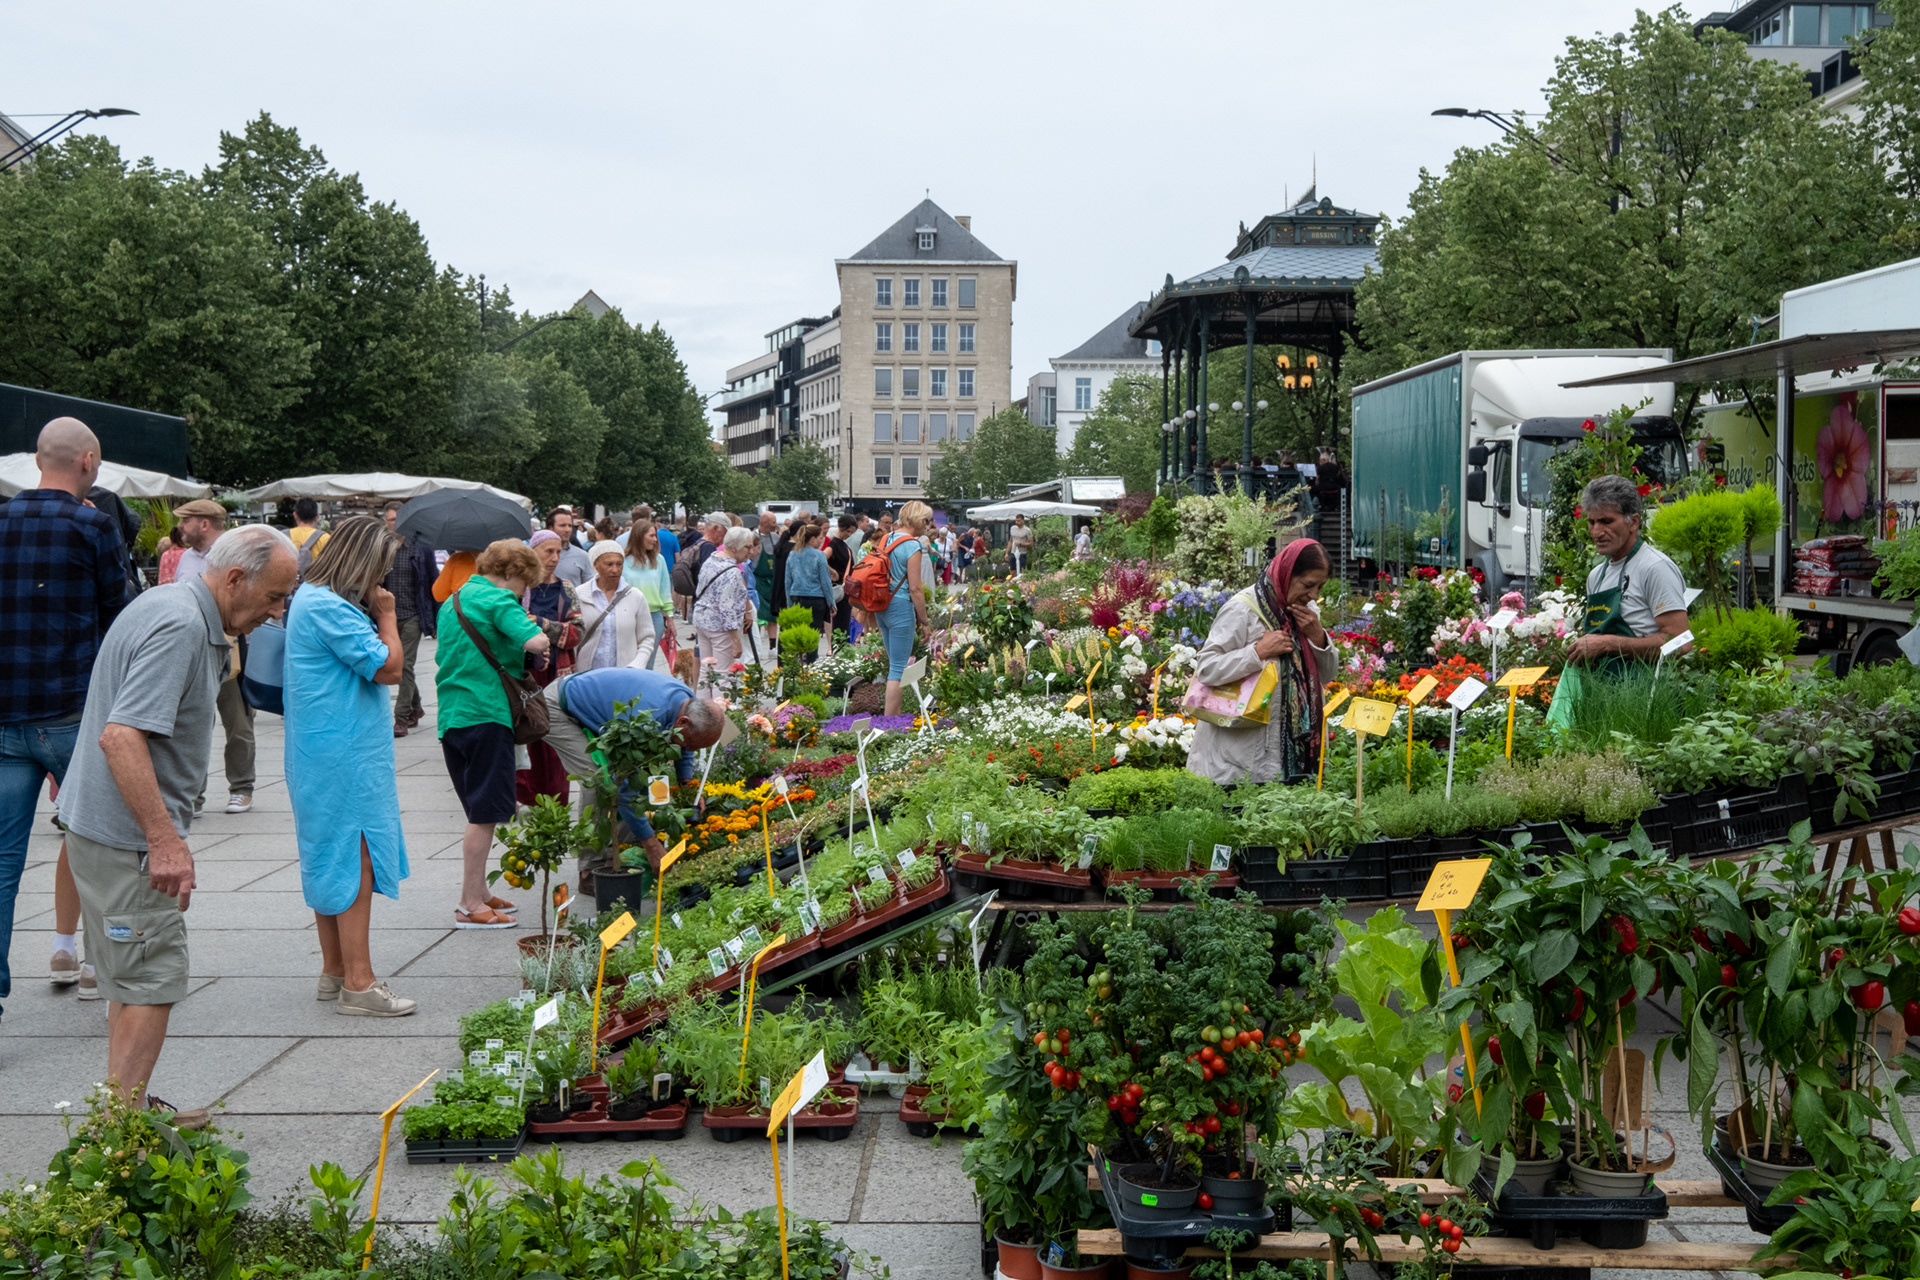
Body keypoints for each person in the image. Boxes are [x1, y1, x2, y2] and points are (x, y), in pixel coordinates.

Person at [59, 523, 297, 1119]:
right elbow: (121, 737)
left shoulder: (171, 604)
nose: (277, 612)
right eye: (273, 596)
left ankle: (127, 1114)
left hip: (105, 830)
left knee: (129, 976)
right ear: (236, 578)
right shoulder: (182, 623)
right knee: (151, 980)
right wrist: (163, 839)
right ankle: (121, 1140)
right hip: (127, 839)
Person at [0, 417, 131, 1018]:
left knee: (3, 863)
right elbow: (123, 616)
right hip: (72, 712)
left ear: (35, 458)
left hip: (5, 720)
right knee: (101, 844)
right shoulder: (93, 524)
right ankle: (96, 969)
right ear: (86, 461)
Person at [284, 517, 416, 1017]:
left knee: (327, 853)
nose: (381, 579)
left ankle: (335, 969)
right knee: (353, 855)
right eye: (380, 566)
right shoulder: (330, 607)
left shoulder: (312, 600)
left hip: (321, 748)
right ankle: (359, 984)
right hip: (344, 752)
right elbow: (389, 668)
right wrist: (386, 615)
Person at [435, 539, 551, 928]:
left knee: (475, 806)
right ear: (510, 574)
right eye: (524, 584)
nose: (524, 592)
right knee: (484, 814)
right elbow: (536, 642)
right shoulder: (500, 600)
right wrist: (535, 629)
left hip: (452, 715)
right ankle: (470, 903)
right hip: (488, 713)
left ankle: (481, 890)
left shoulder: (454, 601)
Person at [538, 667, 725, 897]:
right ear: (684, 721)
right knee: (601, 781)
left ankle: (619, 855)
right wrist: (652, 845)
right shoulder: (649, 718)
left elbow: (683, 746)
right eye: (694, 744)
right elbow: (624, 787)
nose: (692, 750)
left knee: (631, 780)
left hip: (599, 712)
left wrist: (687, 783)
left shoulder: (687, 704)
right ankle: (591, 868)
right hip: (560, 708)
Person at [1187, 538, 1336, 787]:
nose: (1313, 596)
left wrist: (1318, 637)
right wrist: (1257, 652)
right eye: (1308, 585)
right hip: (1238, 757)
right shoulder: (1243, 610)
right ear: (1287, 574)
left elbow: (1328, 674)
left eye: (1320, 587)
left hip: (1290, 757)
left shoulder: (1307, 613)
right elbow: (1207, 669)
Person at [171, 499, 257, 816]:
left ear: (203, 523)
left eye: (186, 520)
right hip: (192, 650)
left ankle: (242, 787)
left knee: (237, 722)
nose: (180, 526)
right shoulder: (186, 558)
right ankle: (192, 796)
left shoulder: (235, 555)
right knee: (191, 725)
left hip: (231, 647)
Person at [1564, 474, 1690, 669]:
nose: (1597, 532)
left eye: (1606, 521)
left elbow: (1680, 643)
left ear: (1633, 522)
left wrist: (1607, 644)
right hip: (1599, 694)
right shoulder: (1596, 576)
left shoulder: (1654, 568)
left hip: (1644, 694)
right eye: (1592, 522)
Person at [516, 530, 578, 806]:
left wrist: (540, 623)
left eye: (558, 552)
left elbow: (576, 633)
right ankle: (527, 797)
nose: (554, 558)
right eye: (548, 551)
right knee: (526, 734)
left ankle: (556, 799)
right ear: (533, 553)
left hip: (556, 673)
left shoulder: (565, 589)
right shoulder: (518, 589)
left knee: (555, 736)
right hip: (525, 675)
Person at [856, 500, 931, 717]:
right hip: (900, 605)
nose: (927, 525)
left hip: (882, 604)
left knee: (893, 665)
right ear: (917, 519)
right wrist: (924, 622)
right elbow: (916, 589)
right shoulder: (913, 545)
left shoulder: (887, 537)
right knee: (898, 668)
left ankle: (894, 716)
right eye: (925, 520)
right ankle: (890, 723)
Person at [381, 503, 438, 738]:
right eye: (390, 520)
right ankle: (416, 707)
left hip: (413, 614)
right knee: (400, 666)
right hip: (388, 616)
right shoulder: (382, 547)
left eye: (398, 519)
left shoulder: (421, 548)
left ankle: (401, 718)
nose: (394, 523)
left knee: (404, 665)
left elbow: (433, 581)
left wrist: (435, 619)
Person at [576, 541, 658, 673]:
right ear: (595, 564)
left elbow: (647, 638)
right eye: (609, 564)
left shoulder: (635, 596)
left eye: (619, 564)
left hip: (624, 675)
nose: (615, 570)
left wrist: (635, 666)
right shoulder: (580, 595)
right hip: (586, 676)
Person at [692, 525, 756, 672]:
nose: (751, 552)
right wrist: (735, 640)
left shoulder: (711, 559)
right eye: (747, 547)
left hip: (702, 622)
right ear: (734, 547)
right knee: (723, 674)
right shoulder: (732, 572)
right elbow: (726, 608)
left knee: (706, 672)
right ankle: (720, 696)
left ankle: (704, 696)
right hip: (719, 629)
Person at [622, 520, 674, 664]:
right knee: (629, 660)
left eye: (655, 536)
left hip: (654, 616)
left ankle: (643, 687)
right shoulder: (623, 561)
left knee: (648, 662)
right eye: (651, 535)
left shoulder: (659, 560)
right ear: (639, 536)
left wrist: (669, 617)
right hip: (629, 615)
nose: (655, 539)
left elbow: (665, 591)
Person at [785, 523, 834, 645]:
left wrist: (789, 602)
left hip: (796, 596)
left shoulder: (792, 554)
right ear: (813, 539)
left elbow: (788, 581)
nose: (821, 542)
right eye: (820, 538)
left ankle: (800, 660)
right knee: (813, 635)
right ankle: (810, 662)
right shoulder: (819, 555)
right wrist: (831, 602)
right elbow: (825, 581)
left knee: (799, 635)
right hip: (816, 598)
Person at [546, 509, 592, 586]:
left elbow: (589, 588)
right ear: (550, 528)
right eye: (562, 525)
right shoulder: (536, 554)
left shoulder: (582, 555)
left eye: (570, 526)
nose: (567, 530)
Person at [288, 497, 329, 569]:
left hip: (289, 579)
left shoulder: (282, 537)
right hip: (315, 578)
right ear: (317, 517)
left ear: (295, 515)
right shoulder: (325, 538)